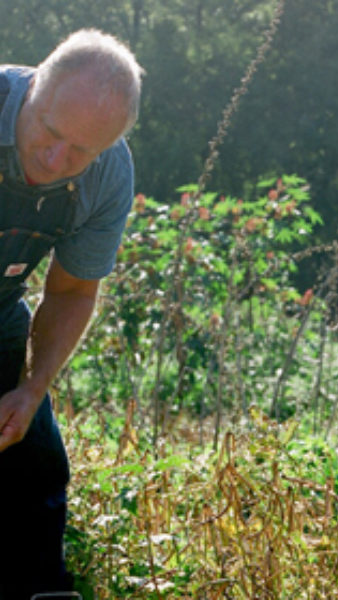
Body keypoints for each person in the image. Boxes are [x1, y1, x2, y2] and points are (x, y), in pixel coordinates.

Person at [0, 29, 143, 597]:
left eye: (81, 152)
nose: (56, 162)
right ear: (32, 89)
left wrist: (32, 386)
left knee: (32, 456)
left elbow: (71, 293)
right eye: (50, 134)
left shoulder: (108, 175)